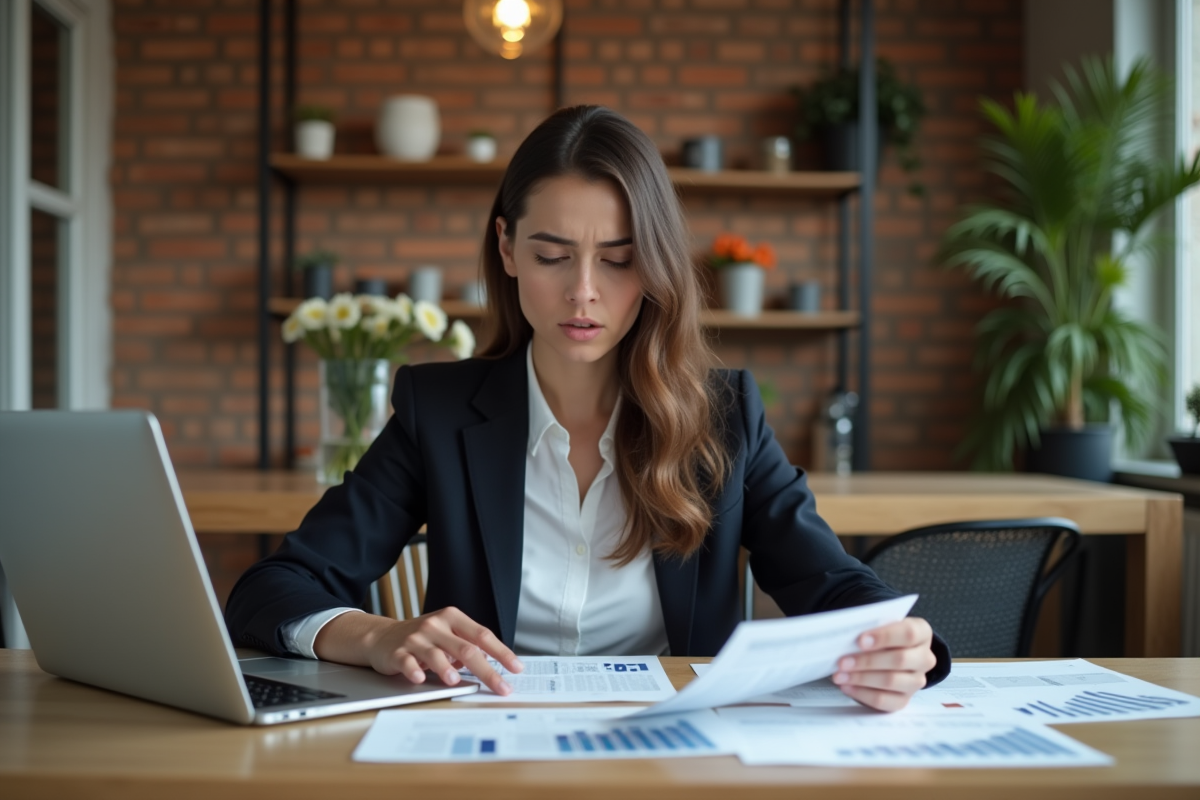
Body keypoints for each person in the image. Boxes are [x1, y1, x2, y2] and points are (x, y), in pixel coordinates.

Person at [225, 105, 949, 712]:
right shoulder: (436, 410)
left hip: (677, 751)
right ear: (506, 248)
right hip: (487, 750)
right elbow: (272, 589)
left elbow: (828, 579)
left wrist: (905, 643)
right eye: (552, 255)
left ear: (657, 262)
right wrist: (377, 635)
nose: (583, 293)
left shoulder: (722, 414)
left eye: (618, 258)